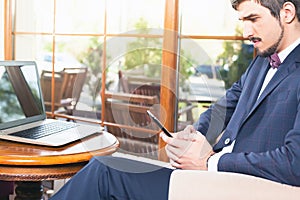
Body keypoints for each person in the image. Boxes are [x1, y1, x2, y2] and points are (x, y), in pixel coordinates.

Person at [50, 0, 300, 199]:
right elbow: (225, 105)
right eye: (243, 21)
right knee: (105, 169)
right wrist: (194, 135)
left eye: (253, 19)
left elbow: (295, 162)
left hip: (241, 185)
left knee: (105, 173)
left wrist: (210, 161)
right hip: (214, 174)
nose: (246, 32)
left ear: (286, 13)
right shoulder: (262, 60)